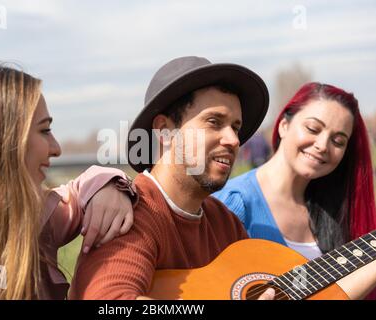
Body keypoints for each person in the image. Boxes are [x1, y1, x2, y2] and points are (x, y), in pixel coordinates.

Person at [70, 56, 276, 300]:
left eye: (236, 127)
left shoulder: (226, 223)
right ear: (165, 131)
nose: (233, 140)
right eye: (214, 122)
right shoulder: (129, 213)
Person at [0, 63, 137, 300]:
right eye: (44, 130)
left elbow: (81, 189)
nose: (57, 149)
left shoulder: (39, 216)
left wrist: (110, 185)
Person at [213, 82, 376, 299]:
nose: (322, 145)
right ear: (283, 126)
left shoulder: (333, 211)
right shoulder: (232, 204)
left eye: (338, 141)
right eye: (313, 129)